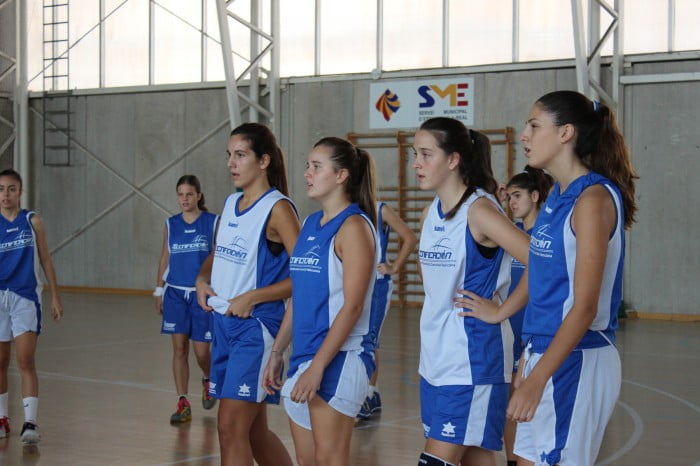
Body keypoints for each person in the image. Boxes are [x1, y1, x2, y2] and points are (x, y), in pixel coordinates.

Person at [457, 90, 637, 465]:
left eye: (534, 125)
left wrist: (539, 378)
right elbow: (542, 272)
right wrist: (513, 331)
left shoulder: (593, 201)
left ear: (565, 133)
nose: (524, 135)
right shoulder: (558, 195)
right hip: (545, 353)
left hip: (578, 358)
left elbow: (584, 306)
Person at [412, 117, 530, 466]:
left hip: (472, 360)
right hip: (435, 358)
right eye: (415, 154)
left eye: (426, 154)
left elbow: (544, 262)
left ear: (454, 160)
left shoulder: (479, 211)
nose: (416, 163)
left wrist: (501, 310)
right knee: (475, 458)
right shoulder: (428, 213)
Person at [263, 137, 379, 466]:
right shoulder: (311, 224)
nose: (307, 174)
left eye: (316, 167)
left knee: (330, 460)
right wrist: (276, 352)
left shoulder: (354, 227)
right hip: (304, 356)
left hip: (339, 359)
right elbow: (299, 296)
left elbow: (353, 307)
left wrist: (318, 368)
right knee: (308, 461)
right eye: (307, 166)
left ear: (341, 175)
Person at [195, 123, 297, 466]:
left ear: (264, 160)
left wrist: (253, 296)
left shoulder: (278, 209)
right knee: (252, 433)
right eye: (229, 155)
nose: (231, 163)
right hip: (223, 326)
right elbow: (216, 254)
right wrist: (201, 278)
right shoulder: (231, 202)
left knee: (228, 428)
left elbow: (307, 276)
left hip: (256, 329)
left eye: (240, 155)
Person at [0, 168, 63, 444]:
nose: (6, 194)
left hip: (25, 296)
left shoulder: (32, 220)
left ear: (20, 191)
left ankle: (30, 422)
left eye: (11, 188)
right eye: (1, 189)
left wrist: (55, 296)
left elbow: (46, 259)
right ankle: (2, 419)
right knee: (0, 362)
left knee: (25, 361)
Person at [154, 175, 218, 423]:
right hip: (175, 294)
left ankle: (208, 377)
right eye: (180, 194)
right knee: (179, 349)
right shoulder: (171, 224)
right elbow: (164, 258)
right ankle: (182, 402)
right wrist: (158, 290)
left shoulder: (212, 223)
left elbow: (219, 256)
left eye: (189, 194)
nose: (184, 199)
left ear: (199, 196)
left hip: (202, 295)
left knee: (202, 352)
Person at [502, 166, 553, 465]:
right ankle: (512, 459)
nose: (512, 202)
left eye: (517, 195)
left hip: (536, 334)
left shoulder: (544, 236)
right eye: (509, 197)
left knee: (532, 402)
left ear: (535, 196)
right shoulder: (510, 235)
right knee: (511, 404)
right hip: (512, 331)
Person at [357, 201, 417, 420]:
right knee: (357, 338)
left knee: (369, 339)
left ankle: (369, 394)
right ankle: (368, 391)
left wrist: (395, 266)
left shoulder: (379, 208)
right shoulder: (344, 208)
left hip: (377, 284)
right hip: (354, 283)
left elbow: (410, 237)